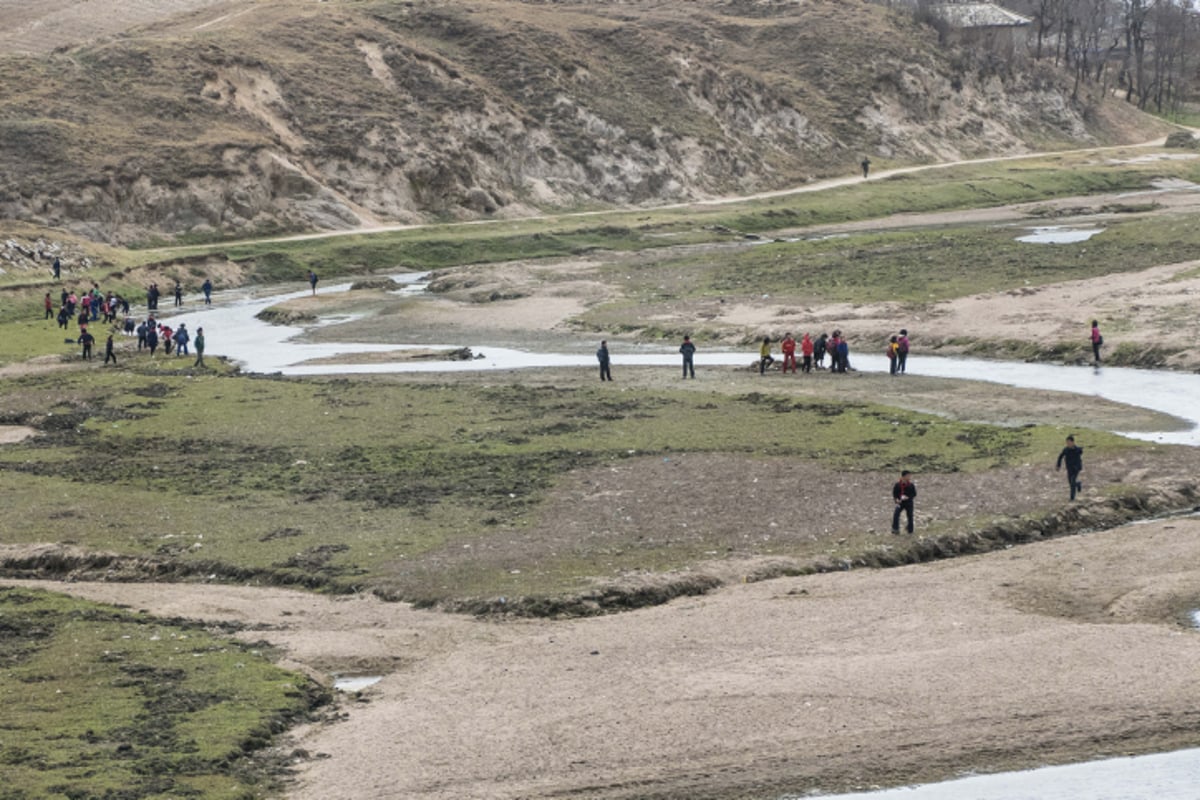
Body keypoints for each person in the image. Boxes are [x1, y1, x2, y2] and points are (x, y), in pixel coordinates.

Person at [1056, 434, 1084, 501]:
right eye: (1067, 443)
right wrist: (1058, 465)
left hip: (1076, 468)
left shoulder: (1077, 450)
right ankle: (1078, 484)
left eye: (1069, 442)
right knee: (1071, 482)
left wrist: (1078, 467)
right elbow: (1060, 457)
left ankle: (1072, 498)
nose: (1068, 444)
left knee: (1072, 481)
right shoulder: (1066, 450)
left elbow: (1080, 453)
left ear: (1073, 442)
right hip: (1069, 468)